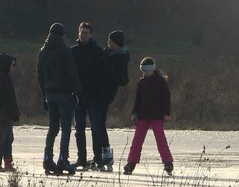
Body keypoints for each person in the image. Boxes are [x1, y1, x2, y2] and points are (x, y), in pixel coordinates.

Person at [37, 22, 83, 175]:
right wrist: (78, 92)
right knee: (66, 128)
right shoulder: (65, 50)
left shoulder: (42, 51)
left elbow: (40, 75)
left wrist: (44, 94)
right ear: (62, 34)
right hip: (64, 93)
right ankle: (63, 158)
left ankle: (47, 157)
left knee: (53, 127)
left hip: (49, 92)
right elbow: (72, 73)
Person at [124, 56, 174, 175]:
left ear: (152, 70)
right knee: (137, 141)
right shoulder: (141, 82)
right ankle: (131, 163)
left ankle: (168, 162)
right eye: (143, 71)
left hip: (157, 116)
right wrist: (134, 113)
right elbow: (138, 99)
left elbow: (166, 99)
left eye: (146, 71)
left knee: (161, 140)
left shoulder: (161, 82)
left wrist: (166, 113)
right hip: (143, 115)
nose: (144, 73)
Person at [92, 30, 130, 171]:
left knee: (98, 124)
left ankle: (106, 152)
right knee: (97, 123)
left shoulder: (120, 58)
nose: (108, 42)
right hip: (97, 92)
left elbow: (124, 80)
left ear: (116, 42)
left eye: (110, 40)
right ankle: (99, 155)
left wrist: (112, 73)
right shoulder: (107, 53)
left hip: (105, 94)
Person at [70, 22, 105, 170]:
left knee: (96, 128)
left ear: (91, 34)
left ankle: (97, 158)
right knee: (79, 128)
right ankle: (81, 158)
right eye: (81, 32)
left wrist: (100, 93)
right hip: (78, 95)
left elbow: (103, 75)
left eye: (86, 32)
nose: (83, 35)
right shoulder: (73, 51)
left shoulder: (98, 52)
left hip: (94, 95)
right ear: (78, 33)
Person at [0, 53, 20, 172]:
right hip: (2, 114)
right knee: (1, 138)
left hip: (8, 114)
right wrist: (3, 112)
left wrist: (15, 112)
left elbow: (11, 98)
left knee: (9, 138)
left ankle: (8, 162)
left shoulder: (5, 76)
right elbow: (0, 98)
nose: (11, 67)